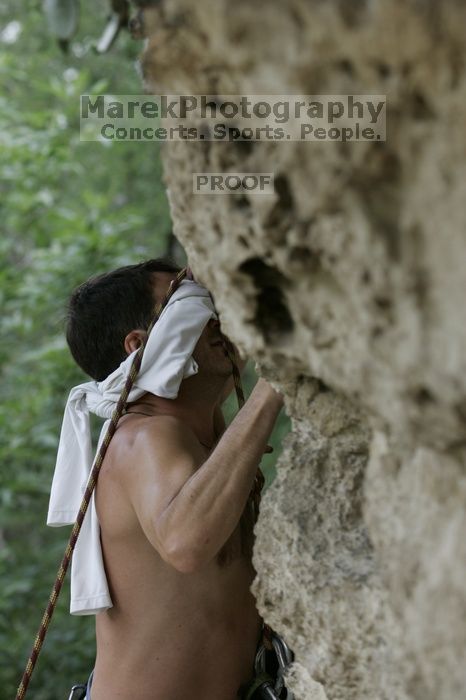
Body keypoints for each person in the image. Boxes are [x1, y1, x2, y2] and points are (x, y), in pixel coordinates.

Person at [64, 258, 285, 700]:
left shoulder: (199, 431)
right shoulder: (140, 437)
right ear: (140, 346)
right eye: (191, 304)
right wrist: (279, 379)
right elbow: (187, 542)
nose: (216, 317)